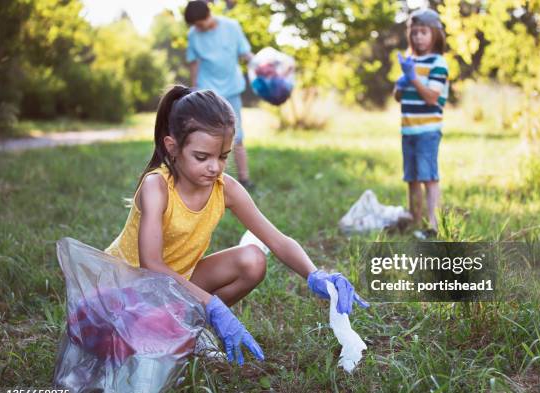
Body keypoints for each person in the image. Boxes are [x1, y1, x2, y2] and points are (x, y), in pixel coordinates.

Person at [105, 86, 369, 366]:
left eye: (223, 156)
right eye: (202, 157)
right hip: (126, 291)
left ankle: (189, 328)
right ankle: (183, 325)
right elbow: (151, 266)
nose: (215, 168)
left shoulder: (225, 188)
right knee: (129, 349)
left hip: (177, 286)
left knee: (253, 260)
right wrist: (212, 304)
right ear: (173, 147)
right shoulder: (156, 186)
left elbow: (277, 240)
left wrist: (315, 274)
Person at [184, 0, 254, 190]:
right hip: (208, 93)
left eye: (200, 23)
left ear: (208, 15)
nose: (198, 28)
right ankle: (207, 178)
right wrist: (193, 89)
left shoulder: (232, 27)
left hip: (231, 90)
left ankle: (244, 179)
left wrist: (262, 67)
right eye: (195, 26)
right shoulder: (193, 34)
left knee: (237, 136)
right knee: (206, 136)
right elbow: (193, 63)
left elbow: (246, 54)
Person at [393, 9, 449, 240]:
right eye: (414, 33)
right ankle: (415, 220)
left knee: (428, 177)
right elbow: (398, 97)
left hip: (427, 131)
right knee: (412, 178)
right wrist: (401, 82)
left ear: (434, 34)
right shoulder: (411, 60)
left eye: (423, 32)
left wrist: (413, 78)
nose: (418, 37)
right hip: (408, 130)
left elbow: (431, 97)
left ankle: (433, 226)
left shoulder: (438, 62)